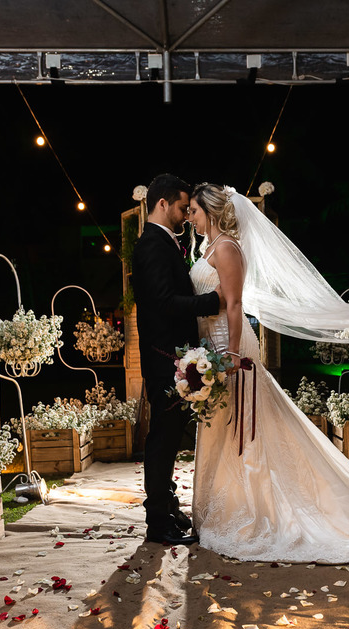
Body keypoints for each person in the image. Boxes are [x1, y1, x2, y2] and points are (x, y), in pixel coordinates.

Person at [184, 183, 349, 562]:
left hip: (231, 348)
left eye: (193, 210)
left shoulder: (227, 248)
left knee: (245, 431)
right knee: (220, 432)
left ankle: (253, 510)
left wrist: (228, 356)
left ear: (208, 210)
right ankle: (222, 505)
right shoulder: (207, 248)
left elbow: (236, 304)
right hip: (209, 346)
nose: (190, 217)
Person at [131, 173, 225, 546]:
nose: (187, 215)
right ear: (163, 204)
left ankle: (167, 507)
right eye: (184, 207)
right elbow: (163, 303)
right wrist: (213, 301)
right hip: (162, 358)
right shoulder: (152, 244)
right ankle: (158, 523)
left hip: (172, 356)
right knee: (162, 439)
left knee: (168, 439)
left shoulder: (164, 242)